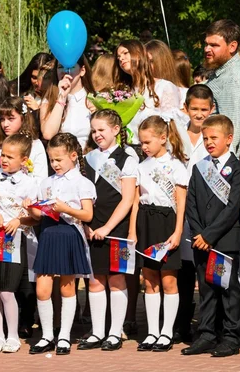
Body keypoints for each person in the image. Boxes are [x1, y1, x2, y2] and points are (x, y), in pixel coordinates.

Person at [182, 115, 240, 357]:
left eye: (214, 138)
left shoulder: (238, 170)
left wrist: (209, 235)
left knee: (228, 290)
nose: (208, 142)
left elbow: (232, 207)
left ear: (229, 139)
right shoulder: (200, 168)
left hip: (224, 239)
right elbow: (192, 203)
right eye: (205, 138)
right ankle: (207, 333)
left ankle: (230, 336)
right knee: (207, 289)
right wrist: (199, 233)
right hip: (201, 242)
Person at [28, 133, 95, 356]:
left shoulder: (82, 183)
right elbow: (39, 214)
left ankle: (64, 335)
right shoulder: (46, 182)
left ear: (73, 156)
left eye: (59, 159)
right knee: (42, 288)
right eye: (52, 160)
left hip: (68, 233)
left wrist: (65, 208)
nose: (55, 164)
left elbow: (87, 214)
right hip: (48, 233)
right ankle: (47, 335)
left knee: (67, 287)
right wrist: (31, 208)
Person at [77, 110, 138, 351]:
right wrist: (88, 225)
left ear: (115, 130)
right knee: (94, 280)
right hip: (93, 226)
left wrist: (107, 227)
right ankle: (98, 331)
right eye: (93, 130)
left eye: (101, 130)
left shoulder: (127, 159)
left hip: (117, 227)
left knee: (116, 278)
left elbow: (128, 199)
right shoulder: (88, 158)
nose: (97, 134)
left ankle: (115, 332)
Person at [0, 134, 39, 353]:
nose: (4, 159)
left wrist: (19, 220)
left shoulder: (31, 183)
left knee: (7, 290)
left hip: (13, 238)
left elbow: (36, 217)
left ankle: (13, 335)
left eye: (10, 156)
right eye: (2, 154)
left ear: (24, 160)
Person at [132, 115, 188, 352]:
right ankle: (152, 331)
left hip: (167, 222)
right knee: (149, 279)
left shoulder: (176, 165)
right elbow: (135, 201)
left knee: (168, 279)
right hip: (145, 220)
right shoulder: (141, 166)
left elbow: (180, 201)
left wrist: (177, 232)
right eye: (141, 142)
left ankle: (167, 331)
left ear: (163, 138)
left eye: (147, 142)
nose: (143, 147)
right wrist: (133, 230)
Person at [175, 85, 212, 342]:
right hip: (179, 209)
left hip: (205, 212)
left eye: (204, 109)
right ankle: (182, 323)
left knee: (204, 270)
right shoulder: (175, 134)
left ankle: (209, 324)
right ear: (185, 109)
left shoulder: (215, 135)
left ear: (212, 109)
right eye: (194, 109)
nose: (199, 114)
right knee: (182, 271)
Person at [114, 40, 180, 148]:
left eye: (125, 53)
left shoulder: (164, 87)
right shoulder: (123, 92)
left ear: (139, 54)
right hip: (129, 150)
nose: (121, 59)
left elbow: (171, 127)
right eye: (118, 57)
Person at [203, 19, 240, 154]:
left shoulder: (233, 80)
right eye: (206, 44)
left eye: (214, 45)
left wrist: (223, 168)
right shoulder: (224, 72)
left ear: (232, 46)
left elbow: (232, 132)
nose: (207, 49)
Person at [40, 56, 95, 148]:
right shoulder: (49, 100)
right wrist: (62, 97)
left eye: (71, 67)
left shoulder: (95, 99)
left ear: (82, 71)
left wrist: (96, 113)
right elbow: (48, 134)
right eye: (60, 67)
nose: (65, 71)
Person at [0, 97, 48, 183]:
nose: (5, 124)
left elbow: (41, 180)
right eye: (2, 119)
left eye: (11, 119)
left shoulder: (35, 145)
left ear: (23, 118)